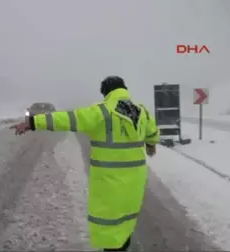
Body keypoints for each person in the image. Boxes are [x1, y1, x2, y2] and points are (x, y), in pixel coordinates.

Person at [10, 76, 160, 252]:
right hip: (135, 179)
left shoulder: (103, 111)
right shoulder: (142, 111)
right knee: (126, 218)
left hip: (109, 181)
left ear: (106, 92)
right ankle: (123, 245)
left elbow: (69, 119)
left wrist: (34, 122)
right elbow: (153, 133)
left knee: (109, 224)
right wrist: (151, 143)